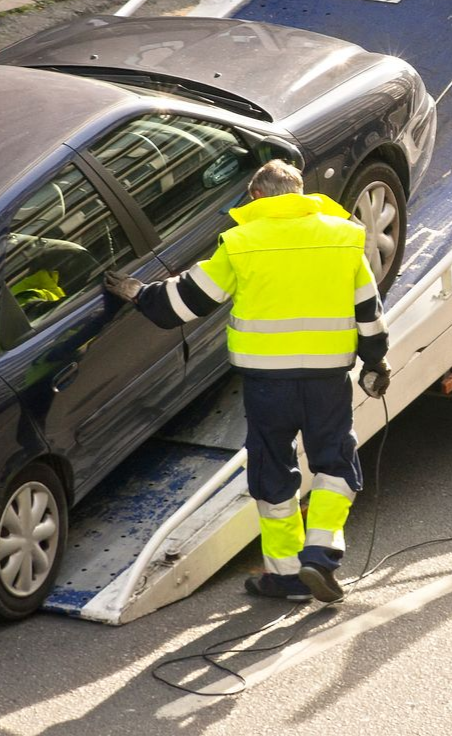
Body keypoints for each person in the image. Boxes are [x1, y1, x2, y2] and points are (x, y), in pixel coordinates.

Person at [104, 159, 391, 604]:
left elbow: (182, 304)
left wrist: (139, 293)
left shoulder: (239, 243)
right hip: (327, 382)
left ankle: (288, 577)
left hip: (266, 385)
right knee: (335, 464)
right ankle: (321, 554)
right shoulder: (344, 237)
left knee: (272, 470)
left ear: (257, 197)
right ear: (298, 193)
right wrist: (376, 363)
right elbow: (369, 314)